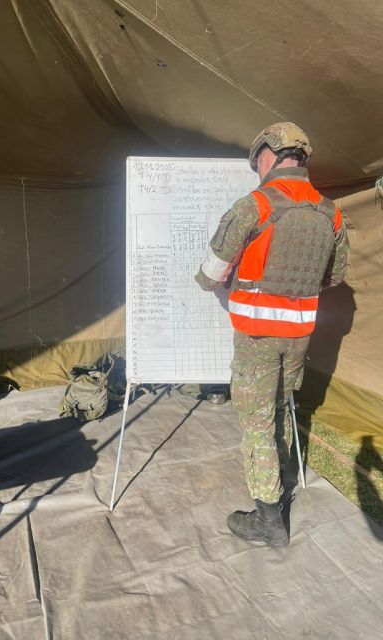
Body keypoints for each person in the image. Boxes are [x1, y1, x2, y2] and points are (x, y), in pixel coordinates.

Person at [195, 122, 349, 547]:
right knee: (281, 408)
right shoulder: (331, 213)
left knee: (257, 422)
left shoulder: (254, 206)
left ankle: (268, 518)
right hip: (298, 336)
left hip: (257, 338)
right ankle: (281, 477)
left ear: (267, 155)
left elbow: (210, 275)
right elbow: (334, 276)